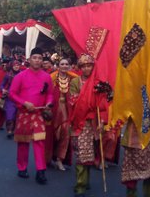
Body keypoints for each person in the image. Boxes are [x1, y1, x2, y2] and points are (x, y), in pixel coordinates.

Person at [9, 47, 53, 184]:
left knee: (40, 142)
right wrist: (24, 103)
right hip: (24, 113)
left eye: (40, 58)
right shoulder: (20, 76)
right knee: (23, 142)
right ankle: (22, 168)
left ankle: (41, 171)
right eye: (35, 57)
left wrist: (49, 103)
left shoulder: (46, 77)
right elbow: (12, 94)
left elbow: (50, 94)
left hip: (39, 114)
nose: (37, 60)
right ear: (29, 60)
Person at [69, 54, 102, 197]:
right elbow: (73, 101)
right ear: (80, 68)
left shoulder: (98, 82)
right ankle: (80, 185)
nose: (87, 68)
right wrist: (89, 103)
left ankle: (86, 180)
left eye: (89, 65)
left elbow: (103, 104)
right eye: (84, 66)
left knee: (90, 153)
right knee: (81, 154)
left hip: (94, 123)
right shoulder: (75, 82)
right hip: (80, 122)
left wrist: (102, 121)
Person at [49, 58, 77, 171]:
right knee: (53, 135)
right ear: (58, 66)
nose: (64, 66)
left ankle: (60, 159)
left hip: (67, 110)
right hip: (54, 111)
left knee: (65, 133)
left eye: (66, 64)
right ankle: (51, 157)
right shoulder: (51, 77)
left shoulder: (74, 79)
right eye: (62, 64)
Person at [1, 60, 21, 139]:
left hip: (20, 97)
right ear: (12, 66)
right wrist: (3, 89)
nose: (16, 67)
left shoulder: (22, 74)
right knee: (10, 114)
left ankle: (15, 130)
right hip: (10, 97)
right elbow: (2, 85)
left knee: (17, 115)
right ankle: (9, 130)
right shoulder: (8, 75)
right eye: (15, 65)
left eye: (18, 65)